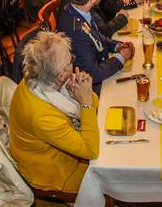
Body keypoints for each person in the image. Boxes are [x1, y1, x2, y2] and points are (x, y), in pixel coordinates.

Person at [9, 31, 99, 193]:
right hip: (55, 171)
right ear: (61, 75)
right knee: (108, 176)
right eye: (70, 60)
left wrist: (84, 95)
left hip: (64, 149)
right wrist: (85, 102)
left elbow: (96, 104)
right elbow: (91, 150)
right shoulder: (41, 116)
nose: (73, 58)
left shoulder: (39, 78)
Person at [56, 0, 133, 93]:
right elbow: (93, 74)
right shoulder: (76, 31)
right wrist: (121, 58)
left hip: (98, 61)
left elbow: (95, 37)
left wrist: (117, 46)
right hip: (91, 87)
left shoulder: (78, 8)